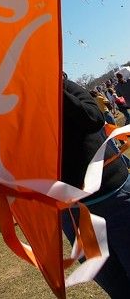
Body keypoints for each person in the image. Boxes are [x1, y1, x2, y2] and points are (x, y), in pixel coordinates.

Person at [62, 75, 130, 298]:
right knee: (116, 286)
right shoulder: (12, 108)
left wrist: (52, 91)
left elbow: (93, 118)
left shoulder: (64, 86)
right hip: (77, 216)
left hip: (115, 199)